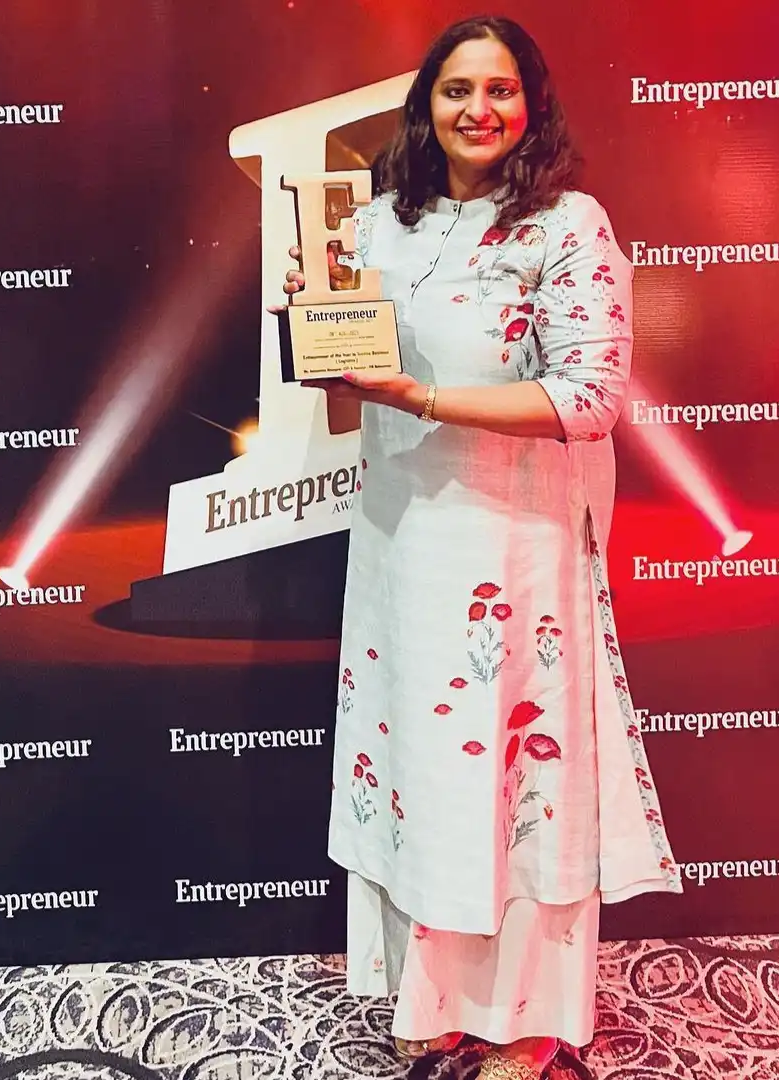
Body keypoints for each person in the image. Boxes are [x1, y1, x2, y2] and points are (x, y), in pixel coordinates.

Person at [278, 15, 681, 1079]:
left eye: (500, 90)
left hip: (515, 552)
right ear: (427, 105)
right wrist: (318, 326)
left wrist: (421, 397)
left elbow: (589, 399)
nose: (478, 110)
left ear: (532, 105)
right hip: (401, 544)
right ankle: (442, 998)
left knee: (515, 782)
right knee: (423, 768)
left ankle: (530, 1020)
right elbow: (342, 384)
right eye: (457, 90)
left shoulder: (567, 225)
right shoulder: (379, 224)